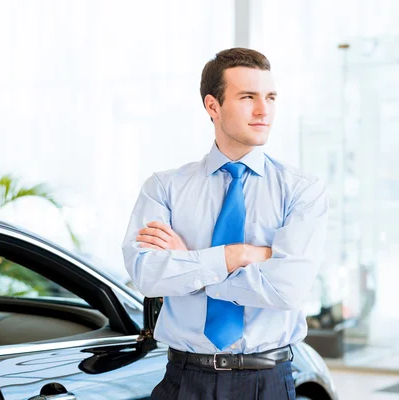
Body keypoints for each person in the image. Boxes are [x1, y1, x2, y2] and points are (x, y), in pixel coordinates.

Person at [121, 48, 328, 400]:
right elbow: (147, 275)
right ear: (213, 106)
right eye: (248, 97)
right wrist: (238, 254)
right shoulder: (164, 187)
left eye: (271, 97)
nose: (264, 111)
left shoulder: (302, 190)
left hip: (268, 381)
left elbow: (287, 289)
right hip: (183, 380)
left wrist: (192, 266)